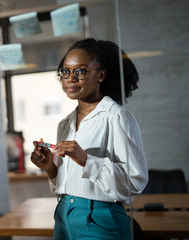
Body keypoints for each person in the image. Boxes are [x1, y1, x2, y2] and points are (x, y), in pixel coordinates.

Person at [30, 38, 148, 240]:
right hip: (64, 215)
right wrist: (50, 167)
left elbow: (134, 181)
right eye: (66, 71)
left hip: (100, 219)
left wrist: (85, 159)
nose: (71, 78)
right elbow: (69, 184)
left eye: (81, 71)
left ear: (101, 75)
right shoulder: (65, 124)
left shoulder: (116, 117)